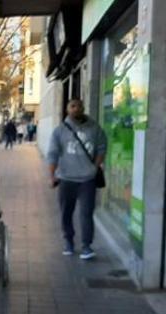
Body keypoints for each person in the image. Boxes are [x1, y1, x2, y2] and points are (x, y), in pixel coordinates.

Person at [46, 98, 107, 260]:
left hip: (87, 179)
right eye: (73, 106)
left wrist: (95, 167)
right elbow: (52, 154)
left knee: (86, 213)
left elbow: (102, 147)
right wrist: (51, 176)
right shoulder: (59, 131)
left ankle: (86, 245)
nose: (76, 109)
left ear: (83, 108)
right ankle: (69, 241)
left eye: (79, 106)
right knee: (66, 213)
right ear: (67, 109)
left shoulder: (94, 128)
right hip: (66, 179)